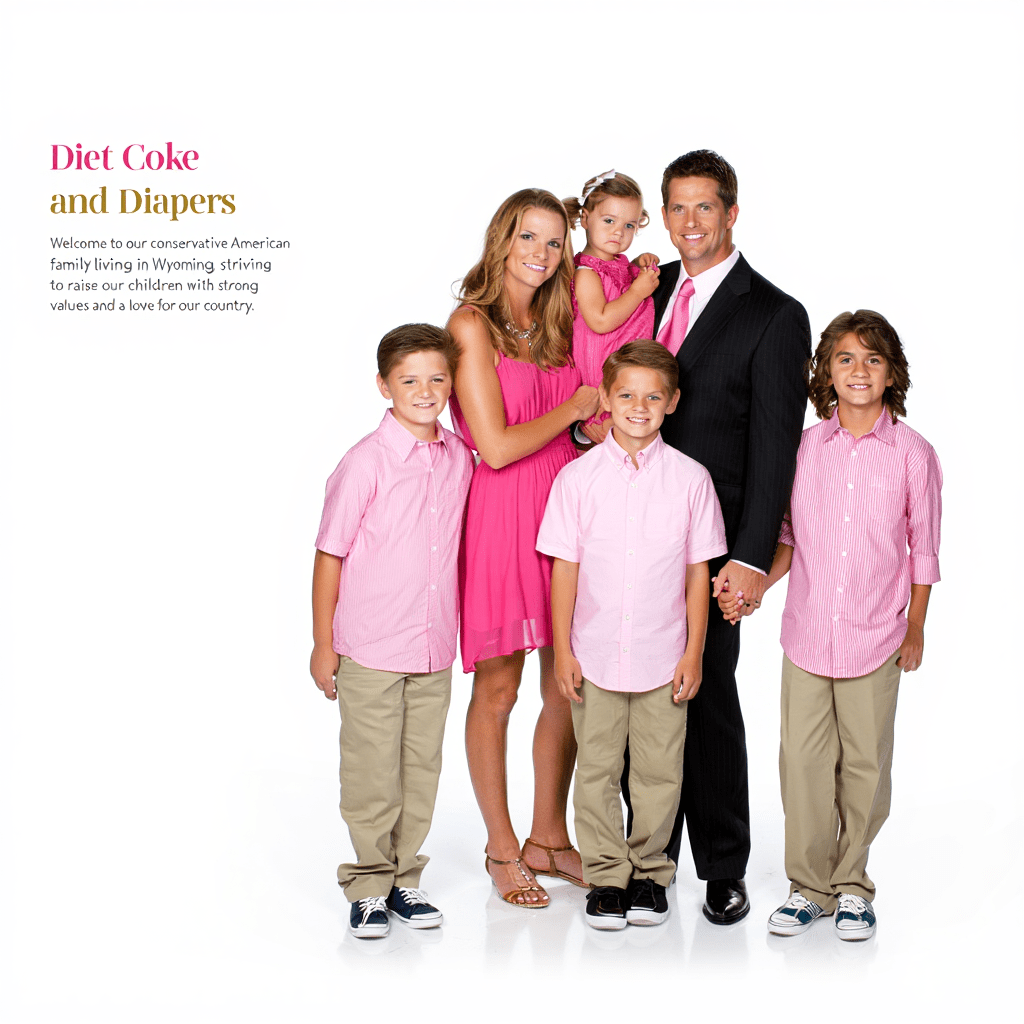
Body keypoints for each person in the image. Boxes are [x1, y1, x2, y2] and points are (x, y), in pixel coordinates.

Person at [624, 150, 811, 925]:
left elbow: (775, 449)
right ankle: (648, 861)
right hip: (629, 532)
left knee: (705, 698)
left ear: (731, 213)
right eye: (676, 207)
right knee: (634, 691)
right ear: (663, 215)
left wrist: (751, 560)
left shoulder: (774, 314)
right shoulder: (646, 289)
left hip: (714, 546)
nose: (690, 221)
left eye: (705, 206)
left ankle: (724, 867)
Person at [719, 310, 941, 941]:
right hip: (809, 635)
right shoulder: (804, 448)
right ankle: (808, 888)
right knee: (803, 763)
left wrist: (916, 627)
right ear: (826, 372)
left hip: (877, 636)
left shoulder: (914, 455)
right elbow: (788, 537)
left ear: (891, 372)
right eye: (845, 358)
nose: (858, 370)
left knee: (865, 765)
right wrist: (757, 585)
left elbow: (923, 550)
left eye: (873, 359)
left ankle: (852, 887)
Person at [538, 342, 726, 931]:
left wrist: (693, 652)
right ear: (606, 398)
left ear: (673, 402)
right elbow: (564, 568)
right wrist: (563, 651)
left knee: (658, 772)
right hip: (592, 654)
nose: (638, 407)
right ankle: (605, 877)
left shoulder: (691, 480)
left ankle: (649, 873)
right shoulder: (577, 479)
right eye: (625, 394)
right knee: (595, 768)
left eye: (652, 396)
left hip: (663, 655)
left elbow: (698, 572)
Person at [447, 189, 600, 908]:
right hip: (504, 514)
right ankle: (501, 846)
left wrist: (587, 427)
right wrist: (573, 410)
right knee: (500, 689)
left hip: (568, 511)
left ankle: (549, 836)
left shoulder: (563, 320)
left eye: (553, 242)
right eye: (527, 238)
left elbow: (579, 427)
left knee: (568, 683)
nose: (540, 253)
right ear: (502, 240)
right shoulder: (470, 325)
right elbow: (497, 445)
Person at [309, 323, 474, 939]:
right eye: (409, 381)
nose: (425, 391)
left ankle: (405, 878)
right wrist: (322, 644)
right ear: (384, 386)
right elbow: (330, 554)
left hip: (432, 645)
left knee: (420, 768)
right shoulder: (364, 463)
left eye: (436, 378)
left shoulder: (459, 457)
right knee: (372, 771)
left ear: (452, 383)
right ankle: (369, 885)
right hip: (370, 646)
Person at [562, 170, 660, 396]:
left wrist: (635, 265)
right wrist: (637, 292)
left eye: (629, 225)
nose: (618, 232)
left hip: (624, 370)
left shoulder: (614, 265)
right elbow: (600, 320)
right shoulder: (586, 274)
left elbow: (617, 286)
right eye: (609, 221)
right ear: (585, 219)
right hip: (602, 373)